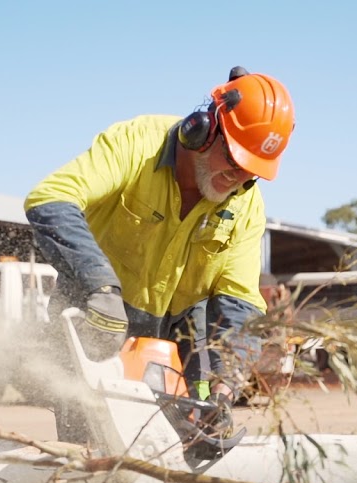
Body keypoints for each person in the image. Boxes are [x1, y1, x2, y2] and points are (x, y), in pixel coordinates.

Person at [24, 66, 295, 428]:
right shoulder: (136, 143)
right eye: (232, 161)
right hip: (98, 306)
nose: (238, 179)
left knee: (196, 425)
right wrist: (99, 285)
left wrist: (228, 382)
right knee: (90, 431)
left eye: (251, 172)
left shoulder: (245, 203)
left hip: (180, 322)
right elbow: (50, 198)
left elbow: (240, 300)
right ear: (201, 129)